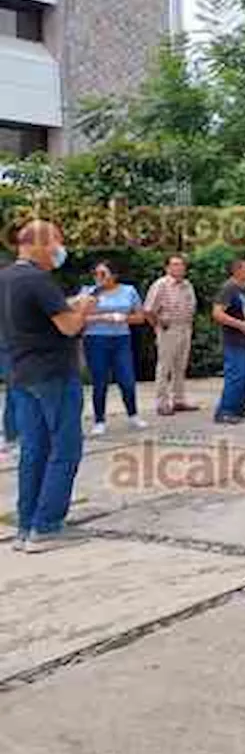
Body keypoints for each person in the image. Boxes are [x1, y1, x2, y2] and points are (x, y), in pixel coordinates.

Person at [0, 221, 97, 552]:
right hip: (53, 373)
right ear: (40, 243)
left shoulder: (7, 277)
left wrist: (67, 303)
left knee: (34, 449)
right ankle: (48, 526)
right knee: (65, 448)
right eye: (57, 241)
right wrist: (82, 308)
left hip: (21, 374)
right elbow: (69, 327)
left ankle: (26, 526)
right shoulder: (38, 280)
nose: (60, 249)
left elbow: (32, 317)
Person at [78, 260, 147, 436]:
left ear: (114, 275)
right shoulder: (88, 292)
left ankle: (133, 414)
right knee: (100, 381)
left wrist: (122, 318)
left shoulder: (128, 291)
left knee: (127, 379)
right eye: (96, 274)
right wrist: (103, 317)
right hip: (95, 339)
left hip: (121, 338)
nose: (98, 278)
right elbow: (78, 318)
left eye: (103, 274)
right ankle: (99, 420)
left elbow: (140, 317)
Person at [143, 254, 198, 416]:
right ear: (167, 267)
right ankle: (162, 403)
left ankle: (179, 399)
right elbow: (148, 310)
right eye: (174, 265)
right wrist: (158, 324)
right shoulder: (161, 285)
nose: (179, 268)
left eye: (181, 265)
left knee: (180, 366)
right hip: (168, 328)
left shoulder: (187, 285)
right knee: (164, 366)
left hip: (185, 327)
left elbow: (192, 306)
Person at [213, 258, 245, 424]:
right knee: (236, 374)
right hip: (234, 339)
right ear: (237, 270)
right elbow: (217, 313)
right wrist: (239, 325)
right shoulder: (229, 288)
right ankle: (224, 410)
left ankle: (239, 406)